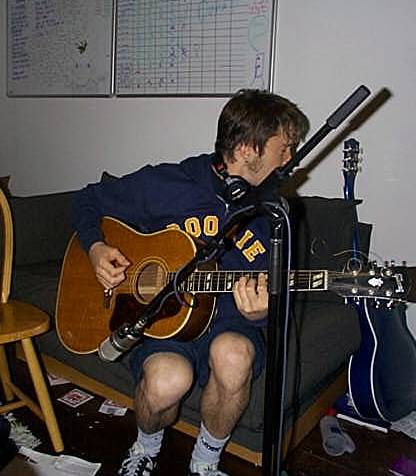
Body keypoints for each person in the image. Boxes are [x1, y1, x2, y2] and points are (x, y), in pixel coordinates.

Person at [73, 89, 310, 476]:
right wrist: (96, 248)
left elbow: (275, 305)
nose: (290, 158)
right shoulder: (169, 183)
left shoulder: (275, 213)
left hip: (231, 324)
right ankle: (145, 448)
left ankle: (205, 462)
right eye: (283, 148)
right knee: (167, 381)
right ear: (249, 148)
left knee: (234, 357)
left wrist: (260, 314)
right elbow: (86, 200)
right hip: (164, 322)